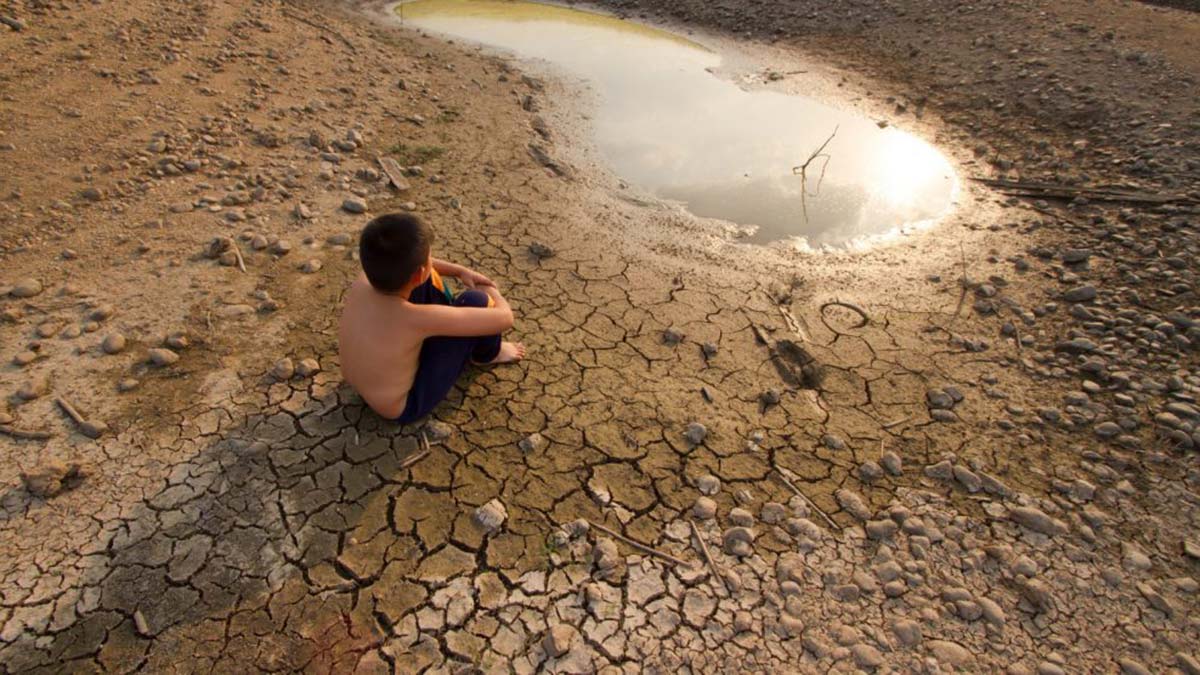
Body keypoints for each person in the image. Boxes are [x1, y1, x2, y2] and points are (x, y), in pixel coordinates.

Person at [338, 213, 525, 422]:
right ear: (419, 272)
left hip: (361, 383)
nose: (431, 261)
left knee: (417, 277)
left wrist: (459, 271)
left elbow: (417, 266)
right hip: (404, 406)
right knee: (477, 300)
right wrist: (490, 290)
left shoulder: (364, 280)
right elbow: (504, 318)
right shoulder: (416, 319)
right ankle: (488, 354)